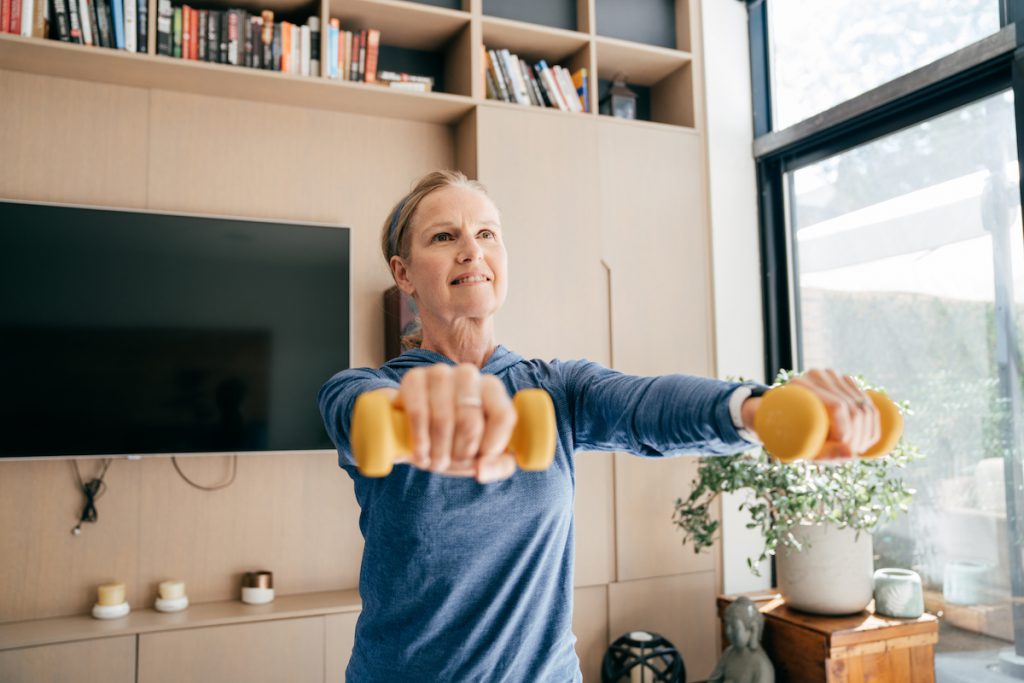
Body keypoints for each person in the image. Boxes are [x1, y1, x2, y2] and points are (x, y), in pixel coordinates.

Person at [318, 170, 880, 682]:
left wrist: (759, 411)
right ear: (404, 274)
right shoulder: (365, 388)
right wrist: (419, 412)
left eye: (487, 234)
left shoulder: (554, 388)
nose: (472, 249)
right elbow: (356, 412)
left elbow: (644, 403)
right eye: (444, 237)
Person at [708, 597, 774, 683]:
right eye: (727, 625)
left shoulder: (761, 665)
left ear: (752, 629)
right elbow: (712, 680)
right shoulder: (729, 653)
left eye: (734, 627)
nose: (728, 631)